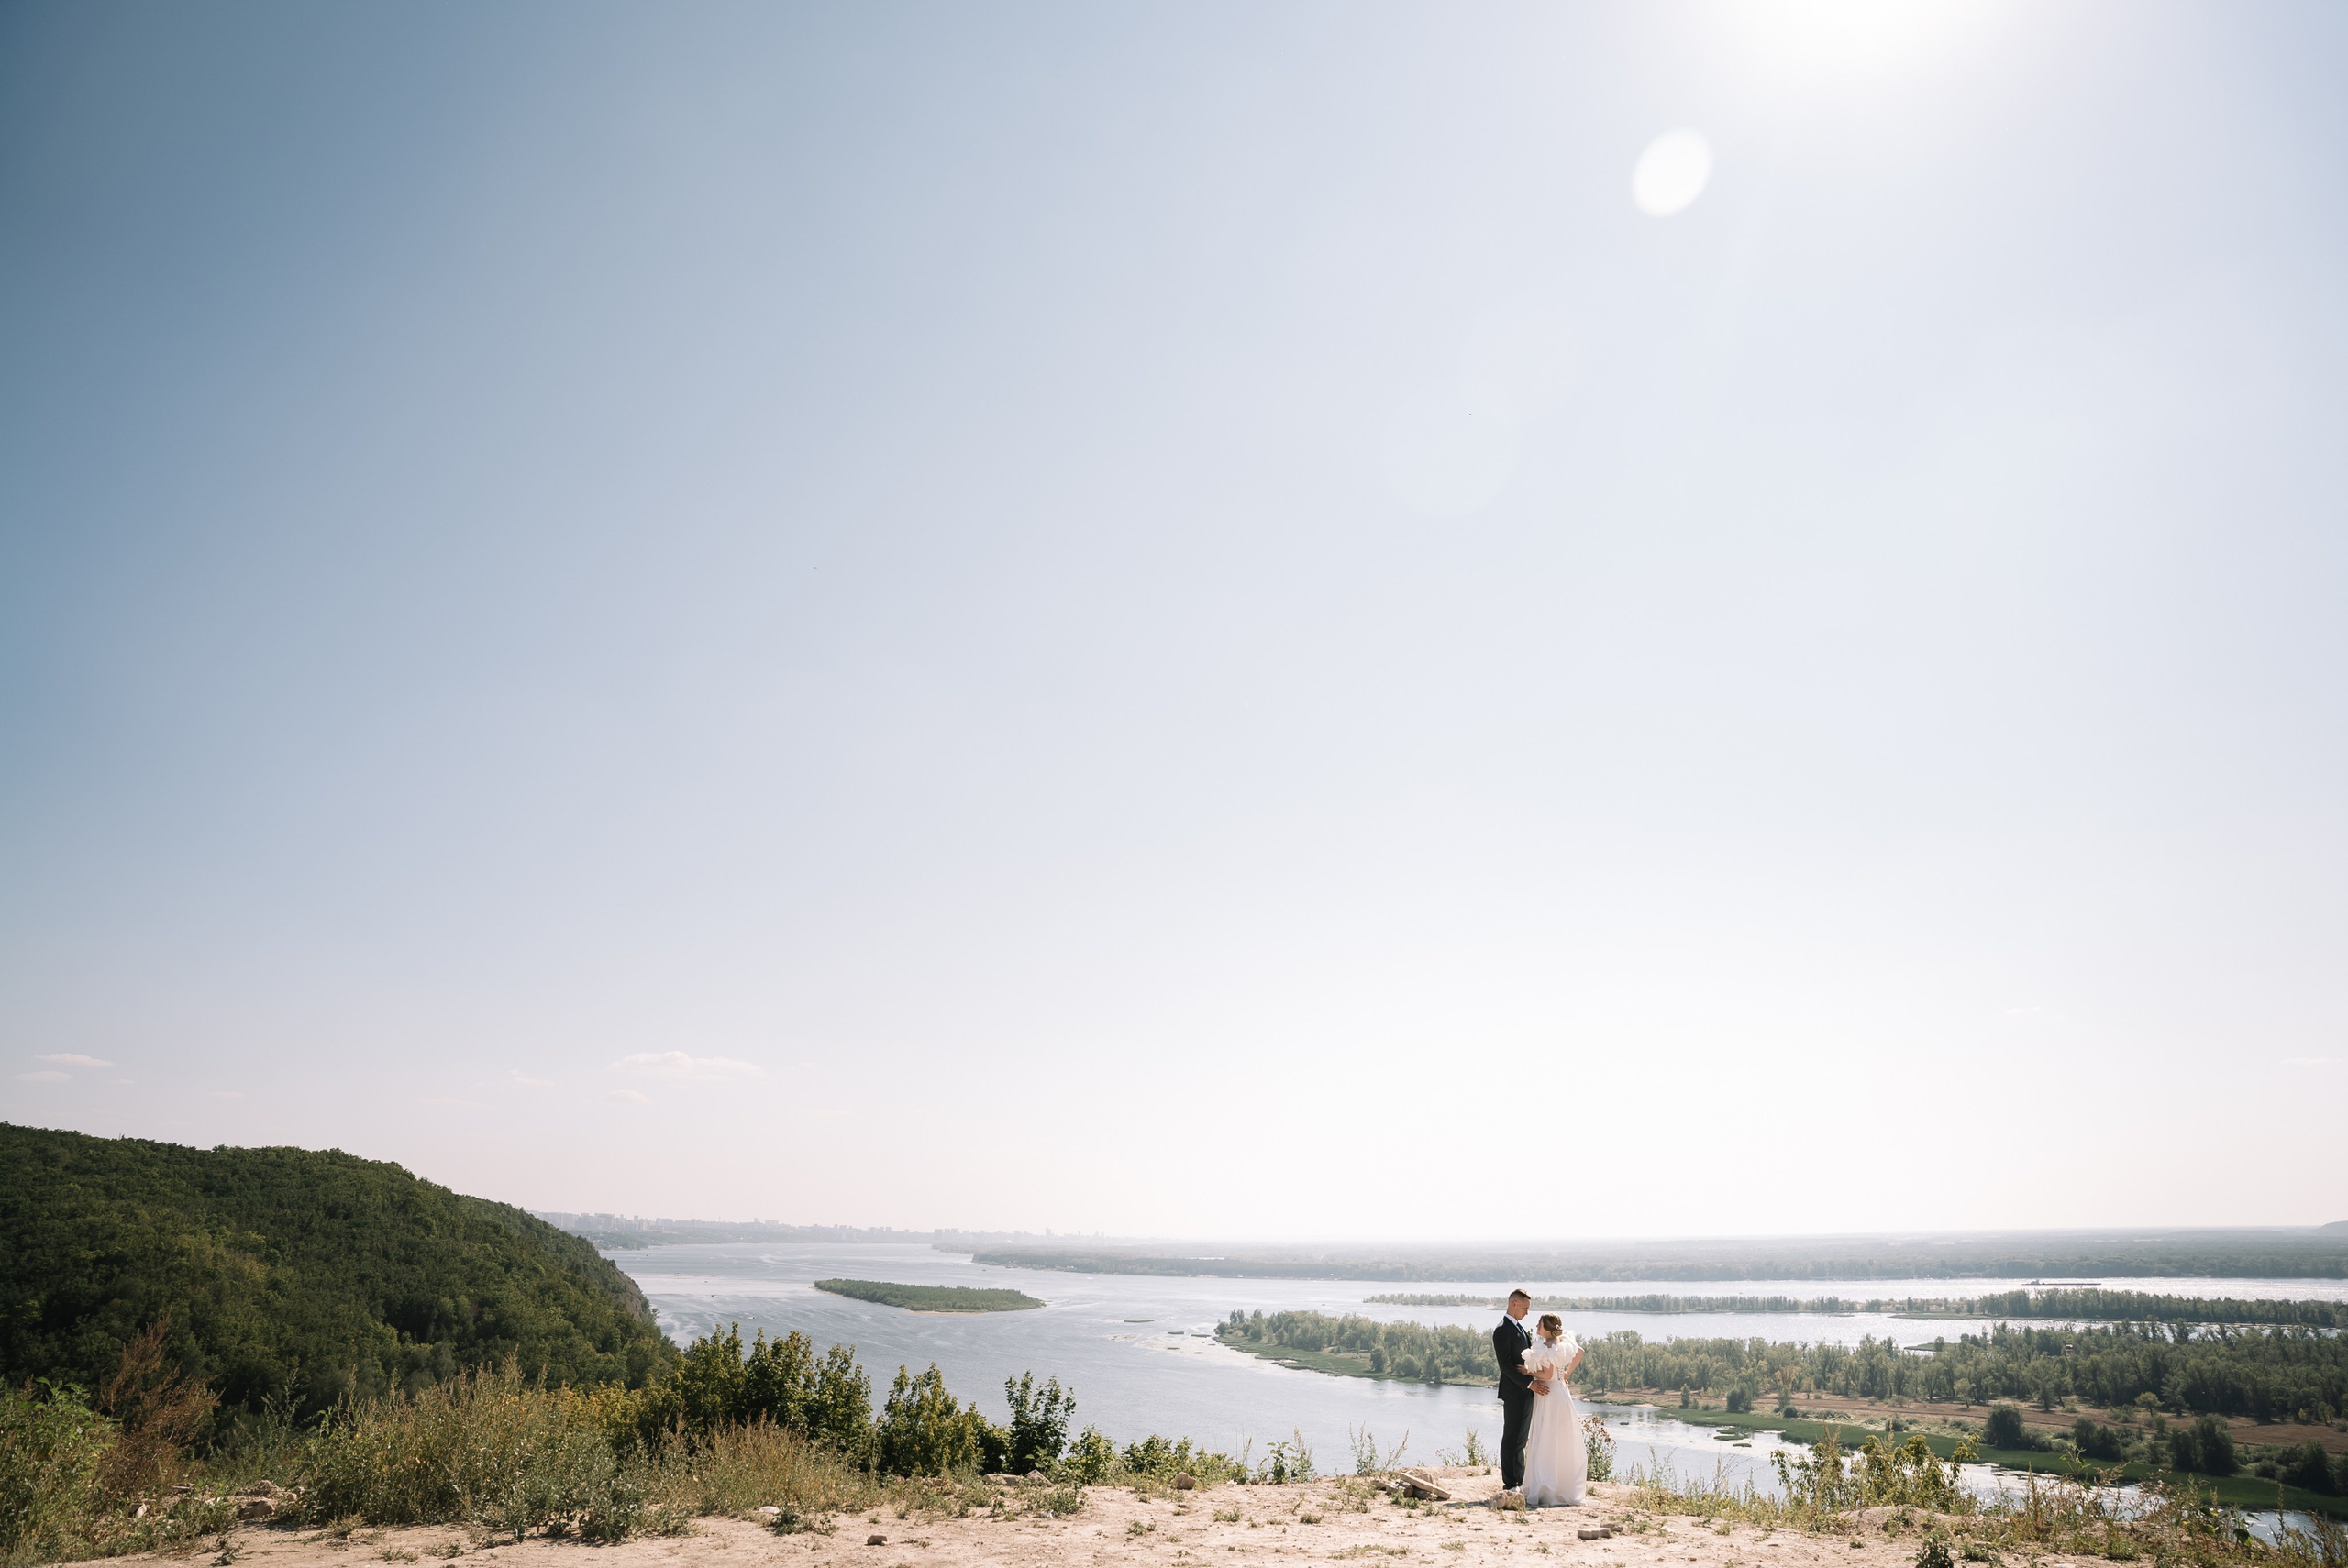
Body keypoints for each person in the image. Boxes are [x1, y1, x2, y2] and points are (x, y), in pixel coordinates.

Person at [1518, 1313, 1587, 1507]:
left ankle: (1546, 1486)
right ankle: (1562, 1485)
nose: (1536, 1326)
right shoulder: (1563, 1341)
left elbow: (1547, 1374)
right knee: (1561, 1439)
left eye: (1539, 1324)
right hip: (1561, 1393)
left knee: (1546, 1437)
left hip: (1548, 1395)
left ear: (1546, 1328)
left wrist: (1527, 1371)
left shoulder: (1547, 1347)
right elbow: (1580, 1351)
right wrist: (1566, 1372)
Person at [1490, 1289, 1547, 1493]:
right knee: (1512, 1437)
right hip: (1515, 1392)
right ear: (1514, 1303)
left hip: (1526, 1392)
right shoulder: (1502, 1330)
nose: (1527, 1312)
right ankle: (1511, 1482)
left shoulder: (1520, 1329)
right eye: (1525, 1308)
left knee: (1521, 1439)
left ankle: (1520, 1481)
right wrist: (1529, 1384)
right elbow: (1505, 1366)